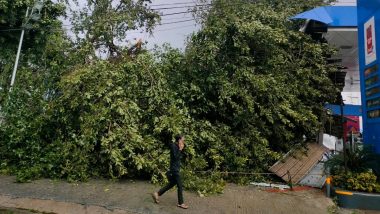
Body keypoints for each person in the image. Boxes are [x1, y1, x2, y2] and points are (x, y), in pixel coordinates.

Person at [152, 134, 189, 209]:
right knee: (180, 186)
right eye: (183, 139)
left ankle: (157, 193)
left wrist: (182, 148)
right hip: (174, 169)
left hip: (176, 168)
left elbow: (181, 154)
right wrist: (180, 149)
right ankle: (181, 203)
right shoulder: (173, 146)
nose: (184, 141)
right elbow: (175, 157)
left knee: (172, 184)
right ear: (179, 140)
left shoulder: (179, 146)